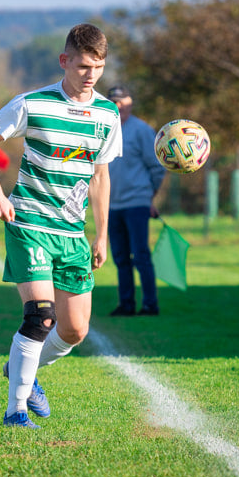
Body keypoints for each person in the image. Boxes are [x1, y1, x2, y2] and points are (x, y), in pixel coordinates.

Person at [0, 23, 122, 428]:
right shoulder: (32, 104)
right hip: (30, 222)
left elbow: (100, 177)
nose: (91, 74)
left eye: (99, 67)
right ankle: (16, 410)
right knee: (40, 317)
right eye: (84, 65)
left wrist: (101, 234)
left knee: (74, 330)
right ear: (64, 61)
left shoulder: (107, 113)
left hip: (72, 233)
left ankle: (25, 368)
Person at [105, 86, 166, 316]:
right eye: (114, 102)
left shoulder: (142, 130)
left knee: (141, 255)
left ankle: (150, 304)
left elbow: (157, 168)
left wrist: (149, 198)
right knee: (120, 257)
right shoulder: (105, 130)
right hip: (112, 205)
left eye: (122, 102)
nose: (118, 106)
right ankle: (127, 304)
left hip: (137, 203)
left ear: (130, 103)